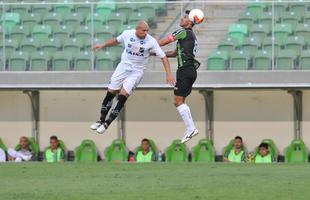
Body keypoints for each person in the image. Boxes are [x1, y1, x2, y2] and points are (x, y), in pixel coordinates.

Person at [90, 20, 176, 134]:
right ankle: (100, 120)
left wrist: (169, 74)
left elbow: (163, 57)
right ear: (137, 29)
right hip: (123, 67)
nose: (146, 33)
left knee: (122, 95)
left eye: (147, 31)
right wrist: (102, 45)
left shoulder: (151, 41)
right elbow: (115, 41)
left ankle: (107, 123)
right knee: (110, 93)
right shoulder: (127, 34)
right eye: (144, 30)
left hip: (136, 71)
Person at [156, 9, 202, 143]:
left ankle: (191, 129)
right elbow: (175, 53)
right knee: (179, 102)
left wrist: (148, 45)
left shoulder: (182, 32)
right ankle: (190, 128)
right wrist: (155, 54)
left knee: (178, 101)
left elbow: (165, 41)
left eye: (186, 16)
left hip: (185, 70)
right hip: (190, 70)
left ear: (190, 22)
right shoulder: (190, 35)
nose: (182, 18)